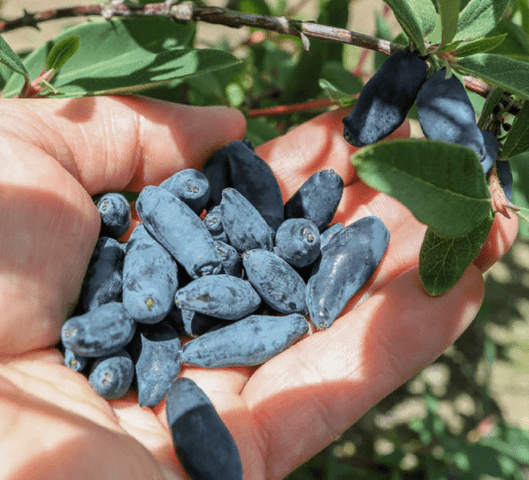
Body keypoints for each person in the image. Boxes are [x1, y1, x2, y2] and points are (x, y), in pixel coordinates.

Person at [0, 95, 518, 480]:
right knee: (156, 301)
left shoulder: (199, 252)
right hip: (163, 319)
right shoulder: (144, 268)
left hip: (204, 305)